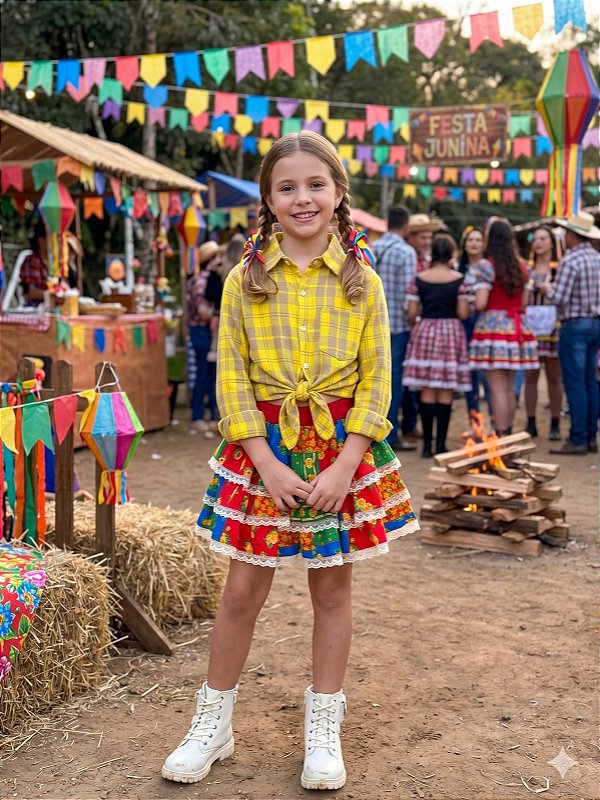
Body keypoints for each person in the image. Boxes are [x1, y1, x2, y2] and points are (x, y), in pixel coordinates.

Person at [161, 132, 419, 790]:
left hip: (339, 452)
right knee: (242, 591)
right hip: (264, 453)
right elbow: (231, 382)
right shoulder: (243, 282)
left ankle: (322, 731)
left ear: (338, 196)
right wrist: (265, 462)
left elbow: (377, 381)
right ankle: (212, 724)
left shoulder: (363, 283)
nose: (301, 198)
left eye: (314, 185)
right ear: (268, 202)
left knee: (331, 590)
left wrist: (345, 465)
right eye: (286, 187)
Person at [468, 218, 539, 436]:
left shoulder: (486, 266)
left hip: (493, 328)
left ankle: (499, 436)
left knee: (497, 388)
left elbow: (480, 302)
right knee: (508, 388)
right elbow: (524, 302)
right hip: (516, 328)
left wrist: (470, 302)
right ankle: (507, 434)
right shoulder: (522, 266)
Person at [539, 211, 600, 455]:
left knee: (574, 383)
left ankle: (577, 438)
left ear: (573, 235)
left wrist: (545, 287)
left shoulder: (570, 260)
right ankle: (590, 436)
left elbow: (558, 297)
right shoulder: (597, 258)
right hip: (596, 323)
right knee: (590, 381)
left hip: (575, 325)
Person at [403, 234, 470, 457]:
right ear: (451, 253)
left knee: (427, 388)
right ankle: (440, 444)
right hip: (450, 331)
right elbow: (462, 312)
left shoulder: (419, 278)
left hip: (426, 330)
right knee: (445, 389)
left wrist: (421, 318)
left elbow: (411, 313)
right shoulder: (460, 279)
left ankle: (427, 445)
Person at [372, 205, 417, 452]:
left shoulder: (371, 248)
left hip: (370, 325)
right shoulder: (406, 251)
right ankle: (391, 433)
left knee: (370, 379)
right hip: (397, 324)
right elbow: (409, 295)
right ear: (406, 225)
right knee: (394, 380)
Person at [523, 225, 563, 440]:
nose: (538, 242)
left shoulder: (559, 269)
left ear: (551, 242)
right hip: (531, 326)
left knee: (554, 376)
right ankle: (530, 421)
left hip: (553, 327)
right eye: (536, 239)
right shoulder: (527, 270)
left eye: (543, 238)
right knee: (530, 375)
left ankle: (555, 422)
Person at [187, 240, 224, 437]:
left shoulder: (209, 279)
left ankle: (209, 416)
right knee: (203, 373)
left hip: (208, 331)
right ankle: (198, 416)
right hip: (201, 331)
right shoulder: (201, 281)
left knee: (211, 373)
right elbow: (203, 312)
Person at [457, 226, 491, 419]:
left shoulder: (489, 267)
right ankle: (474, 420)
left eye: (478, 240)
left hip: (483, 321)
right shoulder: (457, 268)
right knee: (468, 375)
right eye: (470, 240)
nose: (474, 243)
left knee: (485, 373)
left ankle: (495, 423)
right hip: (463, 323)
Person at [20, 221, 49, 306]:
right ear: (41, 241)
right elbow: (31, 293)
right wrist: (51, 296)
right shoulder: (31, 261)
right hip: (35, 310)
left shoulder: (54, 263)